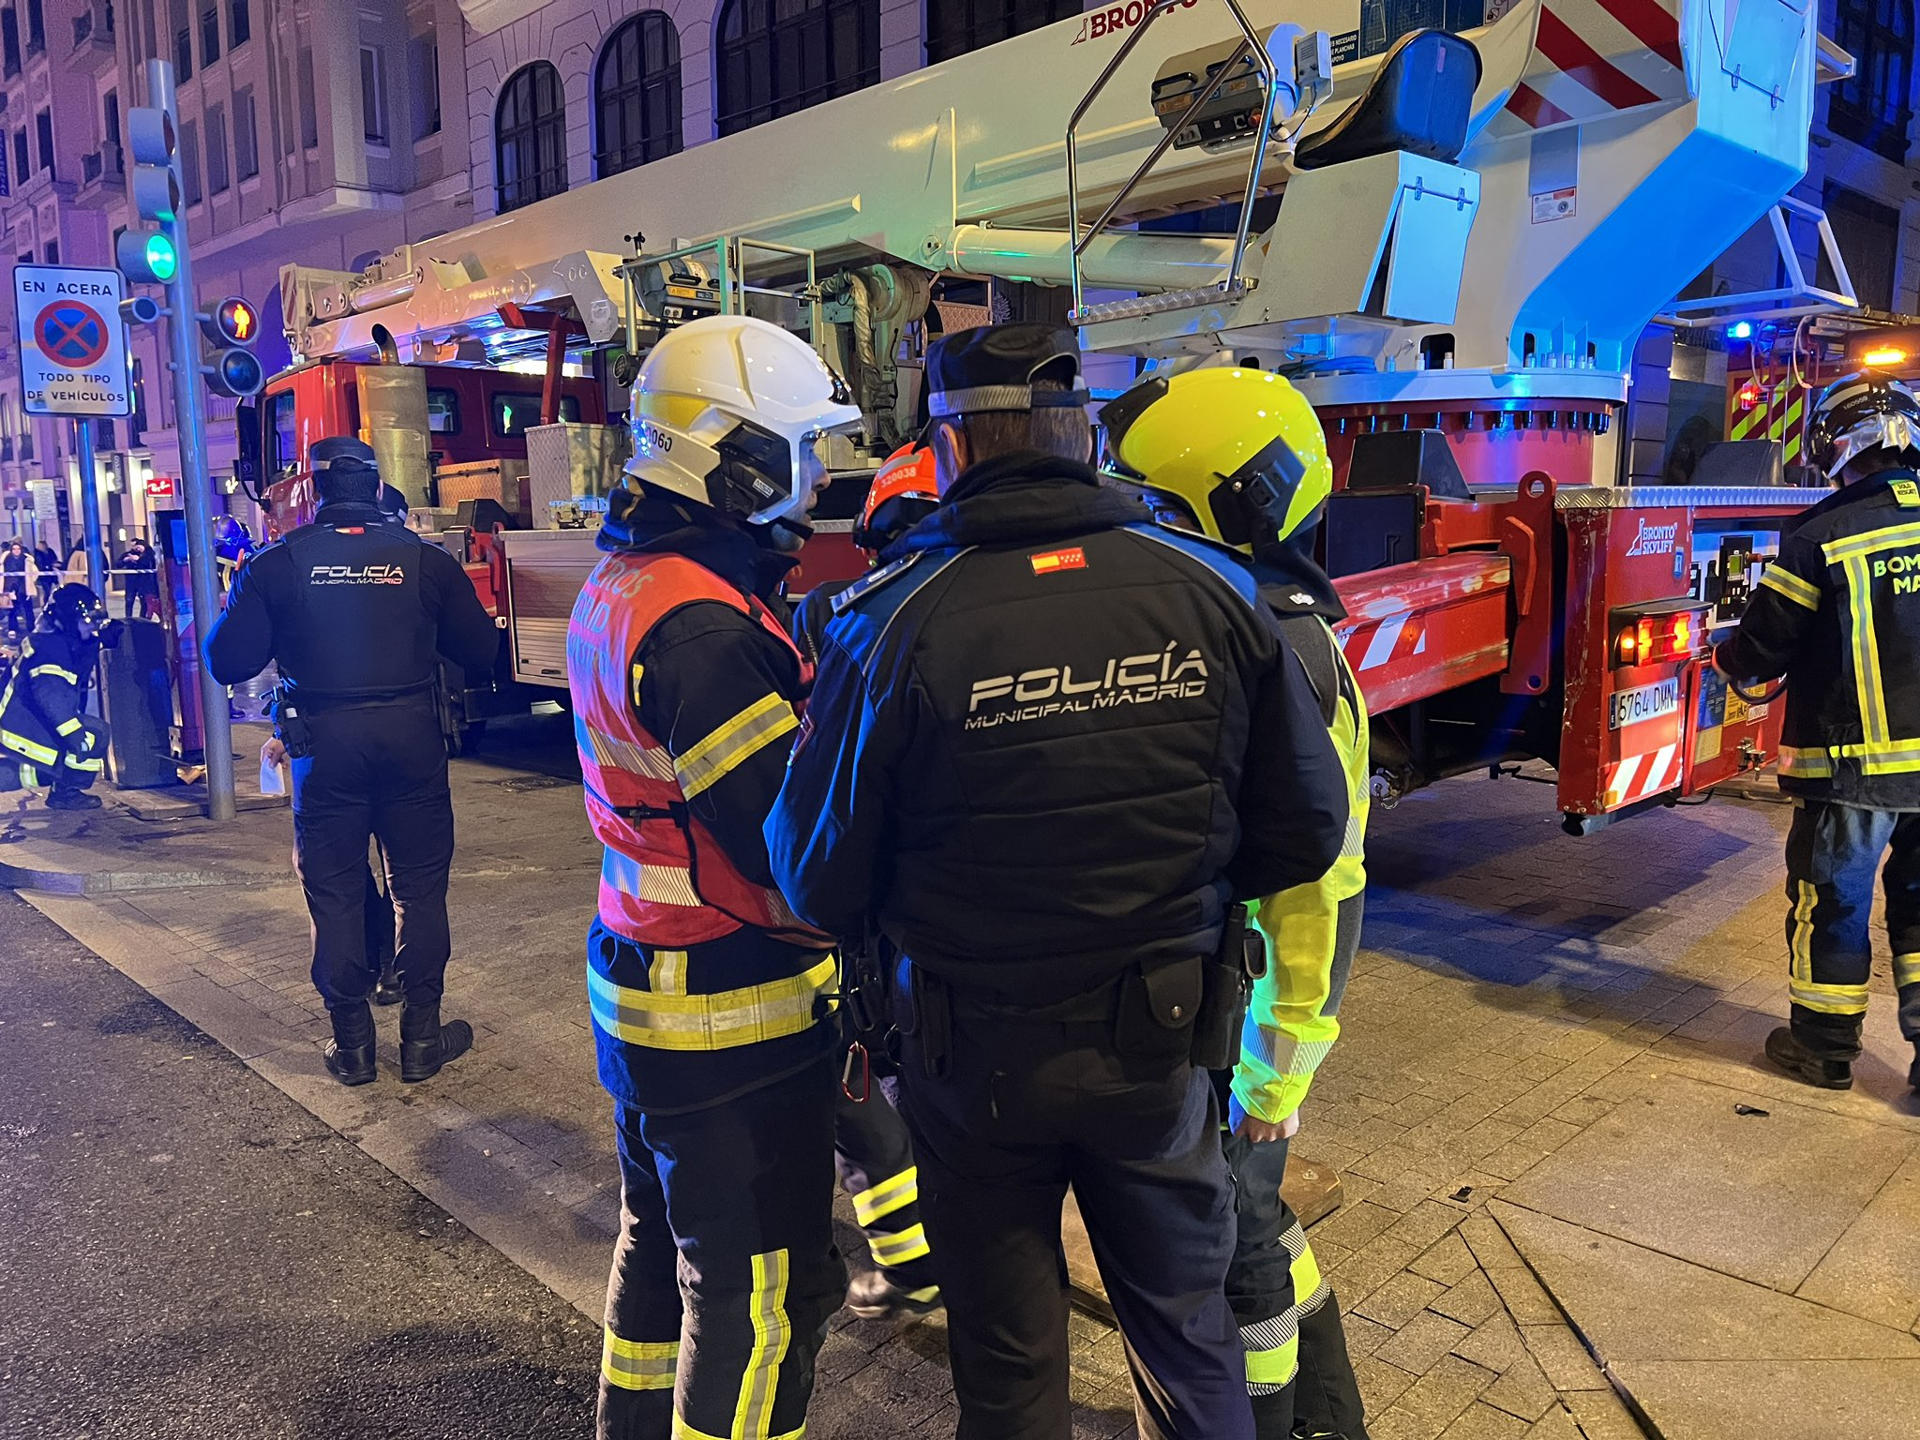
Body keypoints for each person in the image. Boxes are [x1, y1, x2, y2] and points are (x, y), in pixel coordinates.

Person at [768, 323, 1349, 1440]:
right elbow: (1307, 833)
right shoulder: (1217, 592)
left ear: (948, 449)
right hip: (1161, 1042)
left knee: (1008, 1362)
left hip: (967, 1060)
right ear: (1081, 434)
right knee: (1188, 1337)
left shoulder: (887, 620)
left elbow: (818, 878)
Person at [564, 313, 863, 1440]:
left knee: (661, 1259)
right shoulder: (701, 626)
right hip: (729, 1015)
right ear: (734, 460)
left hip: (649, 993)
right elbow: (791, 842)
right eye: (801, 451)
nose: (817, 477)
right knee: (762, 1299)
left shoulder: (635, 581)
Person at [1107, 365, 1371, 1440]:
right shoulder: (1252, 618)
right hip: (1228, 1010)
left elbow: (1323, 886)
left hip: (1243, 1021)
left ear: (1231, 501)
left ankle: (1269, 1420)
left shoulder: (1273, 647)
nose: (1139, 526)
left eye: (1154, 506)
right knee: (1255, 1216)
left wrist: (1280, 1062)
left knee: (1234, 1239)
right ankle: (1330, 1420)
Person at [204, 436, 498, 1087]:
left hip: (321, 748)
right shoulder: (423, 561)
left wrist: (254, 600)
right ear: (376, 486)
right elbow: (482, 652)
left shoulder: (277, 564)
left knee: (334, 893)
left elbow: (226, 660)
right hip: (410, 743)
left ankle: (354, 1046)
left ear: (316, 491)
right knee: (419, 893)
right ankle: (422, 1038)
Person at [1717, 371, 1920, 1095]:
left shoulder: (1819, 535)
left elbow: (1760, 650)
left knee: (1833, 901)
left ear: (1836, 444)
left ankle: (1826, 1048)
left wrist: (1724, 657)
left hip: (1853, 773)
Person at [792, 440, 944, 1322]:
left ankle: (914, 1255)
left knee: (866, 1059)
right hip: (957, 899)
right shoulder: (1003, 604)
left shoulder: (831, 612)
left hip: (867, 892)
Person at [0, 583, 114, 810]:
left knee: (71, 749)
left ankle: (64, 788)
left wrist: (96, 641)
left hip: (20, 720)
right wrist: (74, 733)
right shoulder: (52, 651)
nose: (91, 629)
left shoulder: (54, 641)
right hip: (17, 727)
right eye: (86, 623)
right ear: (70, 623)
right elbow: (52, 696)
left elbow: (73, 675)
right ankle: (65, 792)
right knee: (92, 736)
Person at [120, 537, 159, 620]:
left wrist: (138, 560)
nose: (135, 548)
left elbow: (146, 563)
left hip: (144, 582)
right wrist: (126, 560)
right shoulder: (128, 554)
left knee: (145, 602)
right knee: (129, 600)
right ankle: (129, 618)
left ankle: (143, 618)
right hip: (131, 581)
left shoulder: (149, 554)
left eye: (137, 546)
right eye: (133, 546)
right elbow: (118, 563)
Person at [3, 539, 32, 633]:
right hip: (11, 588)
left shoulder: (26, 559)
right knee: (12, 609)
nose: (16, 551)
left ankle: (31, 627)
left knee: (28, 608)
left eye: (18, 549)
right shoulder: (7, 560)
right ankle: (12, 628)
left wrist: (31, 583)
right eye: (14, 549)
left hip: (24, 587)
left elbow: (34, 572)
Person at [33, 541, 58, 606]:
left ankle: (49, 604)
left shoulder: (50, 551)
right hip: (42, 576)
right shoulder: (37, 553)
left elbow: (54, 559)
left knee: (51, 590)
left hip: (51, 574)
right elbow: (39, 564)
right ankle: (44, 605)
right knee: (45, 591)